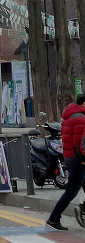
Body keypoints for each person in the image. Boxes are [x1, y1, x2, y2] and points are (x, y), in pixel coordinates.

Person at [47, 94, 85, 231]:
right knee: (71, 192)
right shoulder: (81, 119)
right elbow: (81, 144)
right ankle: (53, 219)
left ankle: (82, 211)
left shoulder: (70, 117)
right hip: (79, 161)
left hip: (71, 157)